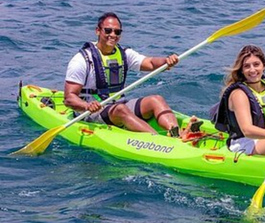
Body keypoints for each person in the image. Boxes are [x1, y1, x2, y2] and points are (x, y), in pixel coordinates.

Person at [64, 12, 198, 137]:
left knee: (156, 99)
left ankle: (177, 133)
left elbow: (150, 63)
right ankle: (157, 139)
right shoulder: (81, 60)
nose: (113, 35)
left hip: (117, 106)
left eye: (117, 32)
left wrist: (166, 61)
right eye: (108, 30)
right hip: (90, 112)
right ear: (98, 31)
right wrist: (87, 106)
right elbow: (69, 98)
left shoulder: (124, 54)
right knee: (121, 109)